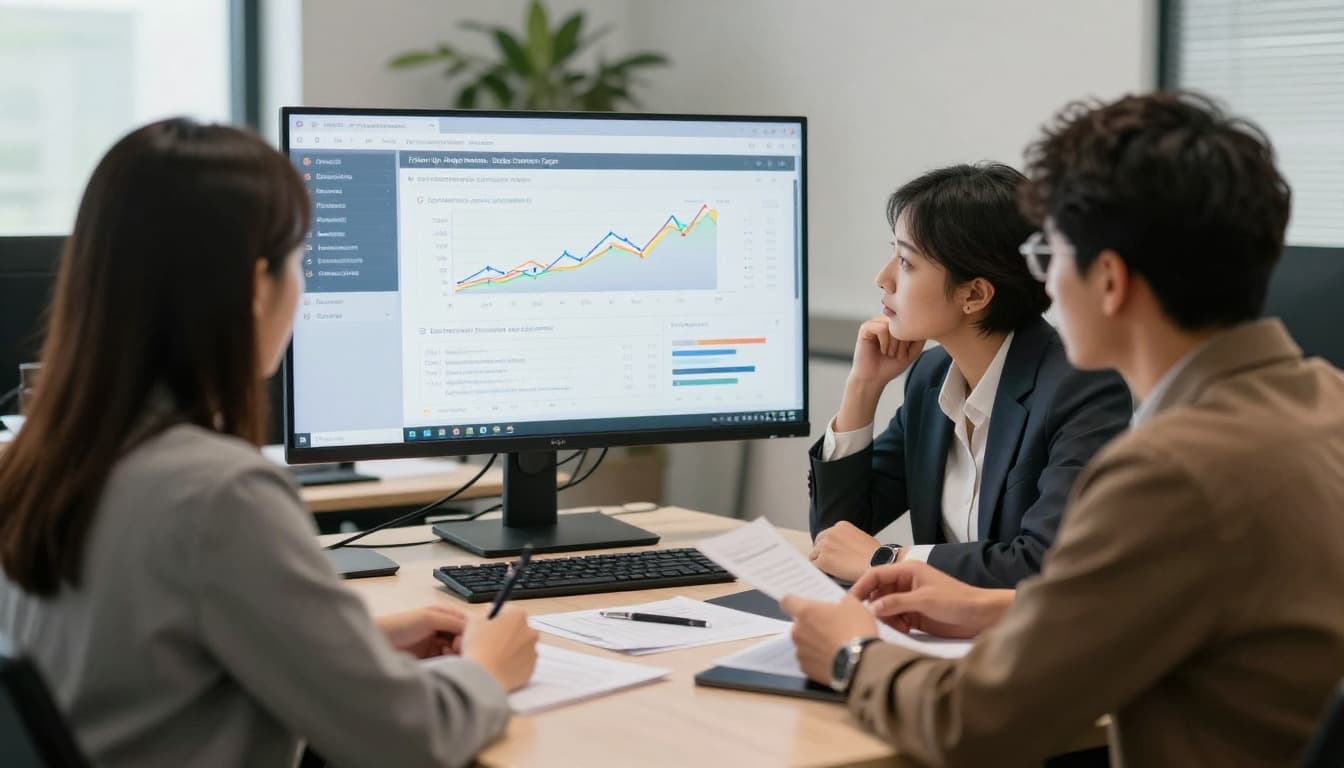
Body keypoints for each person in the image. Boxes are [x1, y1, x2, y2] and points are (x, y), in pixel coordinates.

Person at [783, 91, 1344, 766]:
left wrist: (850, 654)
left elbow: (977, 724)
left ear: (1108, 280)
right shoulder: (1327, 402)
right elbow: (1164, 610)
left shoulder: (1172, 471)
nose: (1042, 282)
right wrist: (993, 610)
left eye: (1048, 252)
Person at [0, 118, 539, 768]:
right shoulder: (218, 492)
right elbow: (407, 741)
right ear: (258, 286)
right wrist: (487, 669)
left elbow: (143, 654)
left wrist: (355, 643)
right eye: (300, 262)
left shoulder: (42, 459)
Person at [808, 163, 1131, 586]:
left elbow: (1043, 564)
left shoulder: (1081, 389)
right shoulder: (930, 377)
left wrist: (888, 560)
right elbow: (834, 539)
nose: (883, 278)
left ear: (974, 294)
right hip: (935, 621)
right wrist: (863, 388)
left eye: (905, 261)